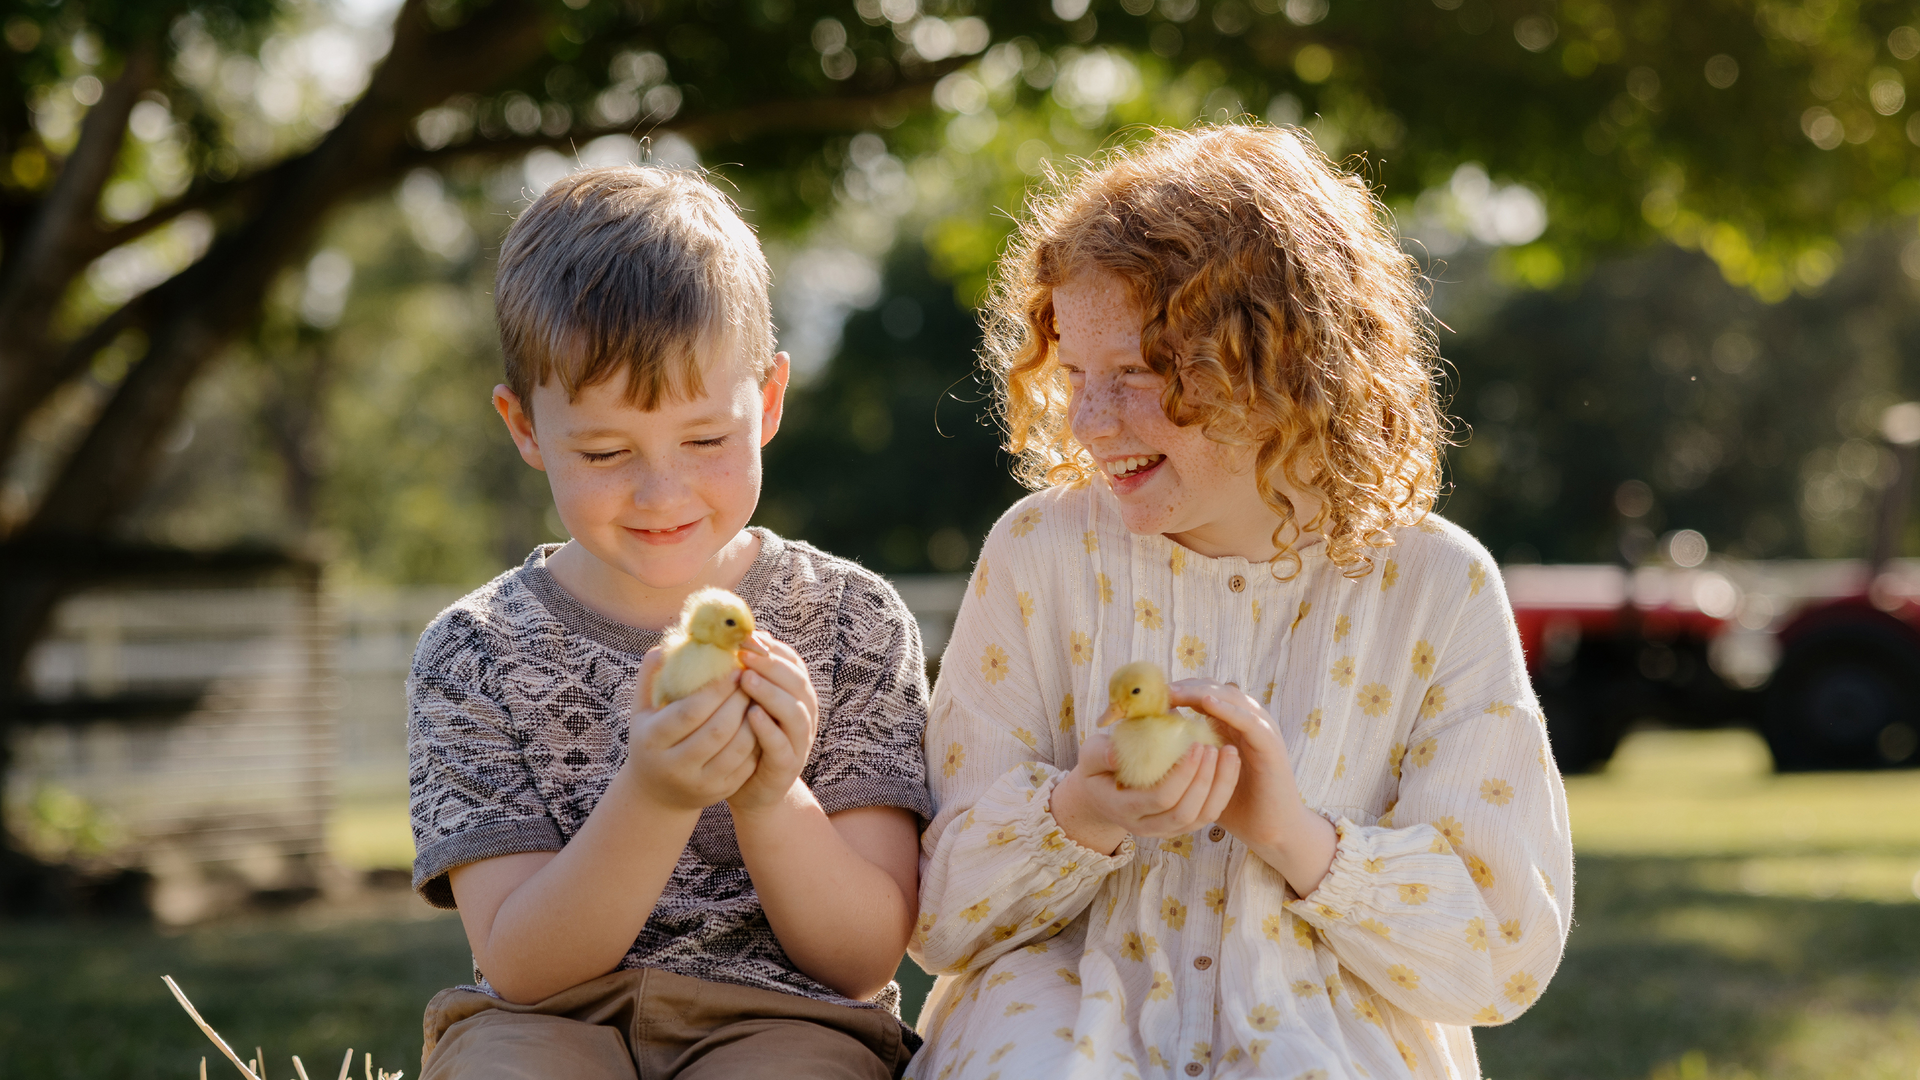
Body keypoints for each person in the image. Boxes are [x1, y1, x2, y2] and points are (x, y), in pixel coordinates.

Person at [906, 125, 1573, 1080]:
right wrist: (1079, 811)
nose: (1091, 423)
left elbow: (1499, 955)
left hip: (1323, 1027)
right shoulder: (1038, 555)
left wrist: (1294, 835)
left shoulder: (1434, 588)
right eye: (1076, 378)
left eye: (1137, 374)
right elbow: (940, 914)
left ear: (1281, 364)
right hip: (1060, 1008)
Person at [407, 165, 929, 1080]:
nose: (661, 493)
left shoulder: (850, 622)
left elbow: (863, 959)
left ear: (767, 403)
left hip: (789, 1023)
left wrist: (770, 795)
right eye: (606, 451)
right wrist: (654, 793)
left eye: (704, 440)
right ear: (525, 428)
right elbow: (521, 967)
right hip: (548, 1022)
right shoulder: (474, 654)